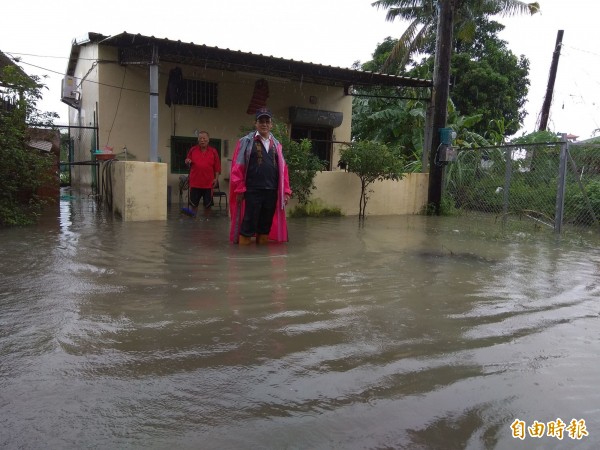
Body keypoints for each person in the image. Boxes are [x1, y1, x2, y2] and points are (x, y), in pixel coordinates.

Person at [229, 108, 292, 244]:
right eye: (261, 121)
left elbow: (283, 170)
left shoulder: (277, 144)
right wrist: (239, 188)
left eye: (267, 121)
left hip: (271, 191)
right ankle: (242, 258)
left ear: (271, 125)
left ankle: (262, 259)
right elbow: (237, 167)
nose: (264, 124)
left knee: (265, 226)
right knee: (248, 224)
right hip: (252, 190)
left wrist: (286, 191)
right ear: (255, 124)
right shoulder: (245, 142)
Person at [182, 131, 221, 218]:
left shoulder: (213, 151)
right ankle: (192, 223)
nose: (202, 140)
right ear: (198, 140)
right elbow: (187, 161)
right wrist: (187, 161)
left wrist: (216, 178)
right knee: (193, 205)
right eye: (200, 138)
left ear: (208, 140)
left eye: (204, 138)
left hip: (208, 183)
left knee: (208, 206)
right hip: (195, 182)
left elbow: (217, 167)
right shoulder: (193, 150)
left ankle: (207, 224)